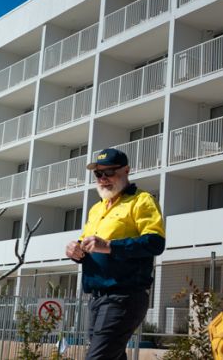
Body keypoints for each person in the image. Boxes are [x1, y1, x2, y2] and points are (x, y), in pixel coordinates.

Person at [65, 148, 165, 360]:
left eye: (109, 172)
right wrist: (75, 250)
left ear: (126, 170)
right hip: (96, 297)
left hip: (124, 296)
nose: (103, 179)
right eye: (98, 174)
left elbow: (155, 243)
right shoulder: (96, 209)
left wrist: (110, 245)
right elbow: (86, 244)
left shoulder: (142, 201)